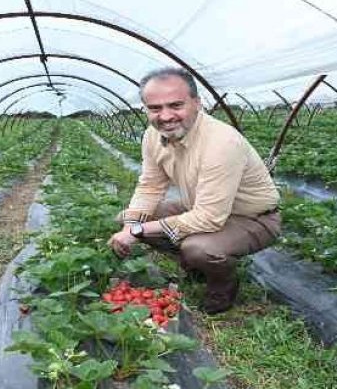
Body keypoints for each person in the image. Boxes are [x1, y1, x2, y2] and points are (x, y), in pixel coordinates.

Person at [108, 67, 281, 314]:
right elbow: (150, 185)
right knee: (130, 216)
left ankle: (223, 285)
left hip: (251, 217)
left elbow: (210, 217)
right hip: (200, 207)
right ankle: (196, 267)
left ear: (197, 103)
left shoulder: (221, 142)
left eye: (176, 105)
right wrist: (130, 227)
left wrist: (137, 230)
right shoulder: (153, 136)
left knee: (199, 248)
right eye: (155, 108)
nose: (165, 116)